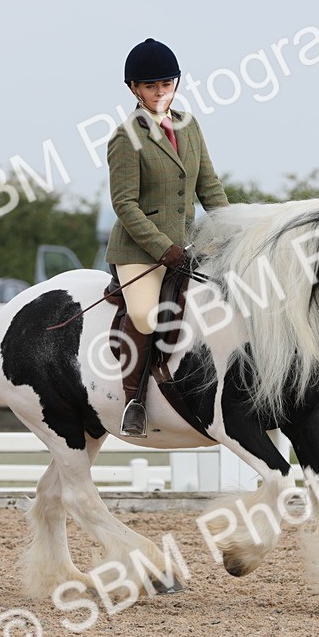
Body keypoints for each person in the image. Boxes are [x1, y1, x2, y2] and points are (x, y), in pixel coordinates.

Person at [105, 38, 229, 438]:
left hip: (187, 245)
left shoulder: (189, 126)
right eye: (151, 86)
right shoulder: (126, 136)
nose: (160, 93)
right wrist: (163, 248)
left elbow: (209, 187)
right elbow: (124, 204)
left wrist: (232, 231)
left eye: (167, 84)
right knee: (144, 314)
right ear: (134, 90)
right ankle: (134, 401)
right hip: (139, 250)